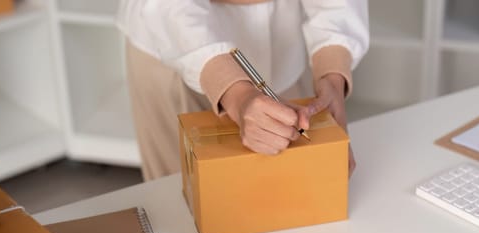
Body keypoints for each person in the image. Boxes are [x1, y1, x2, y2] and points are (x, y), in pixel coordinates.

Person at [116, 0, 369, 181]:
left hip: (284, 47)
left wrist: (333, 73)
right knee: (183, 208)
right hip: (173, 46)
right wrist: (233, 90)